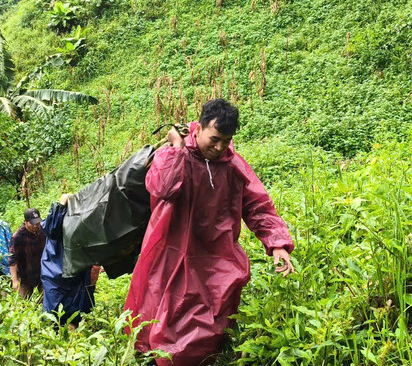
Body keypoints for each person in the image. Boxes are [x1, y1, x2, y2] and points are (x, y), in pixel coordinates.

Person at [123, 99, 296, 365]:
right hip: (171, 252)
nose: (219, 147)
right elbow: (162, 187)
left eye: (226, 141)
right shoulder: (173, 154)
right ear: (199, 129)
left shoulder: (232, 164)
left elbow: (257, 205)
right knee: (163, 314)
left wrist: (278, 244)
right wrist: (178, 149)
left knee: (210, 318)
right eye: (214, 139)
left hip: (216, 254)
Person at [41, 195, 96, 328]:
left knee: (74, 309)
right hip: (55, 273)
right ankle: (56, 338)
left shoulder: (79, 221)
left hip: (73, 272)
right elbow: (51, 228)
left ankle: (72, 338)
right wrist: (61, 204)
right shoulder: (54, 222)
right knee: (54, 312)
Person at [9, 208, 46, 298]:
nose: (35, 226)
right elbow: (12, 259)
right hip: (25, 275)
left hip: (42, 273)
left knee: (46, 299)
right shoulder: (18, 236)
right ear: (25, 222)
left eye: (37, 223)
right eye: (32, 223)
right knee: (24, 303)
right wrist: (14, 279)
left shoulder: (42, 230)